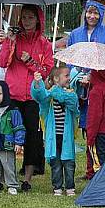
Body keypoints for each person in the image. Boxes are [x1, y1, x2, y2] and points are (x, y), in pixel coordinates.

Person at [0, 4, 53, 192]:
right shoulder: (14, 38)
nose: (27, 21)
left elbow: (46, 71)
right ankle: (8, 174)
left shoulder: (44, 43)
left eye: (31, 17)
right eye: (24, 17)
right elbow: (2, 62)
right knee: (10, 135)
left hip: (32, 97)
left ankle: (28, 178)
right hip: (13, 94)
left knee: (32, 137)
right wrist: (9, 42)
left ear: (38, 20)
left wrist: (30, 61)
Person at [67, 0, 105, 179]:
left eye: (96, 13)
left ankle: (101, 168)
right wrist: (77, 77)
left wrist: (93, 76)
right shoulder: (75, 34)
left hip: (98, 89)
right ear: (84, 13)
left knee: (101, 128)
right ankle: (90, 169)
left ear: (101, 14)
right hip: (81, 89)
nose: (92, 16)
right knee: (88, 128)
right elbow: (70, 59)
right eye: (89, 12)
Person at [32, 66, 79, 196]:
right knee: (56, 164)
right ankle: (57, 187)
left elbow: (73, 103)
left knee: (69, 163)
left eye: (69, 75)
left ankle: (70, 187)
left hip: (66, 137)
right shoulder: (49, 96)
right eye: (66, 75)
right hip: (54, 137)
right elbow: (39, 96)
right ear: (56, 79)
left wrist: (59, 92)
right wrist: (37, 83)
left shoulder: (71, 93)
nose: (69, 78)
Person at [86, 68, 105, 174]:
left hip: (99, 131)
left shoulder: (96, 91)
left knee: (98, 161)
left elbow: (95, 116)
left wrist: (90, 135)